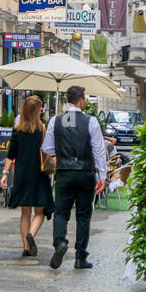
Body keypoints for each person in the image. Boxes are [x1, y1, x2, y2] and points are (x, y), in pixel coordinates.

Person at [42, 85, 107, 270]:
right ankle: (80, 257)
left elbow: (47, 148)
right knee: (83, 216)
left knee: (61, 212)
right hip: (86, 173)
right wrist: (102, 175)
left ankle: (60, 242)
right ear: (80, 100)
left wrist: (61, 154)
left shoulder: (56, 120)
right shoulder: (91, 121)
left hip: (64, 172)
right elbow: (98, 150)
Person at [0, 94, 53, 257]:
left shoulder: (17, 131)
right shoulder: (42, 129)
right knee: (40, 212)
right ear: (38, 111)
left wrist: (5, 174)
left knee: (25, 212)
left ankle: (26, 247)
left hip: (22, 174)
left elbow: (11, 155)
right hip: (38, 173)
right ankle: (31, 234)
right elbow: (48, 151)